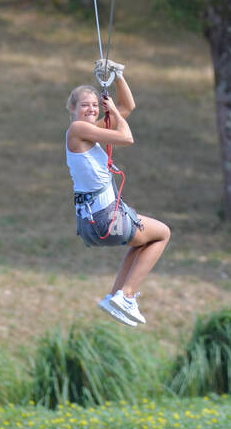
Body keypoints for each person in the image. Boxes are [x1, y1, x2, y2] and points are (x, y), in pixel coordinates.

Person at [65, 61, 171, 327]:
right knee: (163, 234)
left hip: (96, 221)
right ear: (73, 109)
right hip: (104, 219)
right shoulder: (78, 130)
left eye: (93, 105)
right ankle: (126, 295)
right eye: (84, 105)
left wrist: (118, 77)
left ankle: (116, 295)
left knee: (142, 241)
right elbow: (126, 137)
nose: (90, 109)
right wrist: (112, 111)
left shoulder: (89, 133)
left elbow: (126, 109)